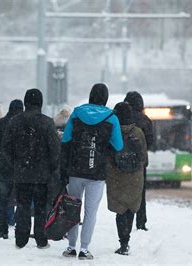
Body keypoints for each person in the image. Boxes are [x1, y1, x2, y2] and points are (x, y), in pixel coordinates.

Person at [61, 83, 123, 260]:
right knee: (90, 211)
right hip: (97, 172)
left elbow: (65, 139)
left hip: (75, 169)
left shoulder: (76, 113)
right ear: (105, 98)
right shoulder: (111, 118)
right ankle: (84, 249)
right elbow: (118, 145)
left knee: (73, 208)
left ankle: (71, 246)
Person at [2, 89, 60, 249]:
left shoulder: (15, 122)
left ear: (25, 102)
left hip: (21, 173)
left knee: (22, 207)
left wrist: (15, 164)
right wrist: (52, 168)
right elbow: (55, 150)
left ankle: (21, 239)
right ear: (40, 103)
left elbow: (5, 148)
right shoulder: (47, 122)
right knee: (41, 208)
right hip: (42, 175)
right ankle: (41, 239)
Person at [106, 102, 147, 255]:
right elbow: (143, 157)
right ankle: (126, 241)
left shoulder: (112, 132)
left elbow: (107, 155)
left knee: (120, 210)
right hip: (135, 176)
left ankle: (123, 242)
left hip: (116, 177)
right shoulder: (138, 133)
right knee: (130, 209)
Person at [0, 99, 24, 239]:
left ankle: (3, 230)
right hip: (21, 168)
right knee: (23, 200)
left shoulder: (0, 123)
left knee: (3, 200)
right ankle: (20, 228)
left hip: (3, 167)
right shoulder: (23, 123)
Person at [124, 91, 154, 231]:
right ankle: (141, 222)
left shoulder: (122, 118)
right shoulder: (145, 120)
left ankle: (123, 219)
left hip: (121, 161)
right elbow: (151, 141)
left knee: (123, 190)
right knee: (140, 192)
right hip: (140, 162)